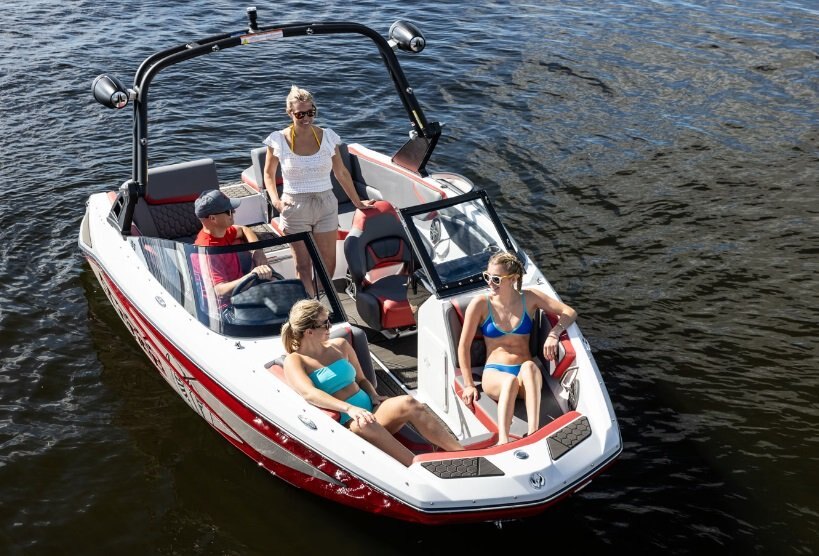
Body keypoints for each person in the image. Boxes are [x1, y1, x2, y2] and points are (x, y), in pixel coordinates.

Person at [282, 299, 464, 466]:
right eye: (325, 323)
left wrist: (373, 395)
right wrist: (349, 409)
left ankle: (460, 454)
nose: (330, 326)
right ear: (309, 331)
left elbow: (361, 379)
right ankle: (419, 468)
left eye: (329, 321)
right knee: (365, 423)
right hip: (348, 423)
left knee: (408, 402)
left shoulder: (340, 345)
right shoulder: (296, 360)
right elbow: (309, 393)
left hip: (371, 410)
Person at [262, 85, 374, 295]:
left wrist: (358, 202)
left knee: (327, 265)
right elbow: (268, 174)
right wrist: (276, 201)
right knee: (303, 266)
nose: (306, 118)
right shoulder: (277, 139)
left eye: (310, 112)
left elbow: (341, 172)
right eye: (300, 114)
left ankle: (316, 300)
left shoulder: (328, 136)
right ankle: (310, 306)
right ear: (289, 113)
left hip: (326, 204)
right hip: (295, 206)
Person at [458, 251, 577, 445]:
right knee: (509, 381)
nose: (490, 283)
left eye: (496, 279)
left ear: (513, 279)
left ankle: (533, 432)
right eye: (487, 277)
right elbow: (464, 346)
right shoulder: (480, 304)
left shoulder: (530, 298)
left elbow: (569, 312)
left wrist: (554, 334)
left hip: (525, 374)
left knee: (530, 367)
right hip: (495, 373)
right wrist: (469, 384)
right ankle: (503, 440)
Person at [193, 189, 274, 306]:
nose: (234, 212)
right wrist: (252, 275)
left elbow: (243, 229)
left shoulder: (221, 232)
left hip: (243, 292)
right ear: (213, 218)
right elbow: (219, 291)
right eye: (229, 211)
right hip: (227, 307)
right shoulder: (207, 252)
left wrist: (258, 251)